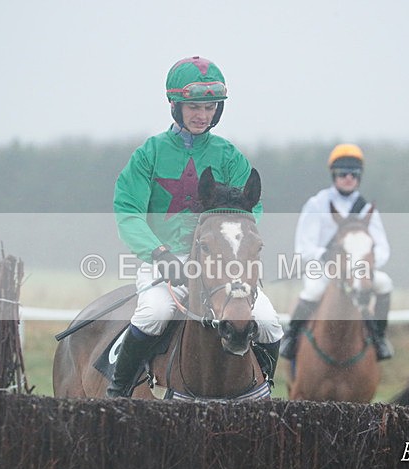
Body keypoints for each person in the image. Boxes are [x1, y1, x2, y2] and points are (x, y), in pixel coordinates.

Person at [108, 56, 283, 398]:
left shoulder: (229, 155)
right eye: (194, 107)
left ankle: (263, 388)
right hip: (165, 259)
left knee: (269, 322)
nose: (202, 115)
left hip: (221, 263)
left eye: (209, 107)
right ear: (175, 106)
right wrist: (159, 253)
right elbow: (128, 211)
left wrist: (233, 244)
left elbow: (252, 209)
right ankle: (118, 392)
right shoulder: (149, 154)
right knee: (155, 312)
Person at [280, 143, 394, 363]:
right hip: (324, 268)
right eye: (343, 173)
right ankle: (290, 338)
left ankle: (379, 337)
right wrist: (326, 257)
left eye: (354, 173)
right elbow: (304, 247)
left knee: (385, 283)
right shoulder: (317, 204)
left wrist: (365, 265)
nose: (349, 178)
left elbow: (382, 248)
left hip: (358, 270)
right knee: (313, 291)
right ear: (334, 174)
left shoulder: (366, 208)